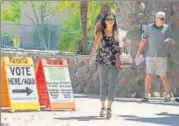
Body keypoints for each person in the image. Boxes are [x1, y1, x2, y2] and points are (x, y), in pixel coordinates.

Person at [87, 11, 121, 118]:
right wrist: (90, 56)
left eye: (112, 19)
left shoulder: (117, 32)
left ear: (115, 21)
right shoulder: (101, 33)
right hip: (102, 61)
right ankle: (102, 107)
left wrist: (119, 57)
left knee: (113, 85)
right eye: (108, 19)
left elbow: (120, 47)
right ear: (104, 21)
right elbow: (95, 46)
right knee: (104, 84)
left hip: (115, 62)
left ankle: (109, 108)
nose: (110, 21)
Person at [136, 11, 174, 102]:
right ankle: (146, 95)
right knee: (149, 75)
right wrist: (138, 52)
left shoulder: (167, 27)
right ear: (156, 18)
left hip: (162, 56)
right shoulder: (149, 27)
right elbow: (143, 40)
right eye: (161, 19)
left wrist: (170, 40)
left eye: (164, 19)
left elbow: (172, 40)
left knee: (163, 76)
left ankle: (167, 94)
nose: (163, 20)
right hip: (150, 55)